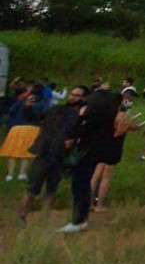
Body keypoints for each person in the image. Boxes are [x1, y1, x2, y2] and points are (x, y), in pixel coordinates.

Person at [18, 85, 87, 225]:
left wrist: (73, 142)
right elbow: (33, 118)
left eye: (77, 95)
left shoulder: (83, 117)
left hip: (60, 156)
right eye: (72, 94)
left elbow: (84, 135)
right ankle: (21, 217)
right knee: (32, 188)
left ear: (84, 98)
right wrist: (27, 106)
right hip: (44, 152)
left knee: (51, 189)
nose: (72, 97)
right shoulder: (56, 109)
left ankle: (43, 220)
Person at [60, 86, 117, 233]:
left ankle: (78, 220)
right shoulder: (108, 116)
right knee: (84, 184)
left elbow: (76, 132)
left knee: (79, 185)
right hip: (97, 152)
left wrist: (80, 117)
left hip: (84, 152)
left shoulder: (89, 115)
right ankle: (82, 219)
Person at [91, 87, 145, 212]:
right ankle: (99, 205)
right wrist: (129, 124)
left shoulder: (103, 112)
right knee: (106, 176)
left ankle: (88, 203)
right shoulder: (121, 113)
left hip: (101, 142)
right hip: (113, 144)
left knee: (95, 175)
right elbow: (117, 132)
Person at [2, 87, 46, 181]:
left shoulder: (21, 102)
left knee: (12, 152)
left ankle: (10, 174)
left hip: (16, 128)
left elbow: (11, 111)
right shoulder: (41, 104)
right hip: (32, 129)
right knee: (26, 152)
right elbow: (43, 116)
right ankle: (22, 173)